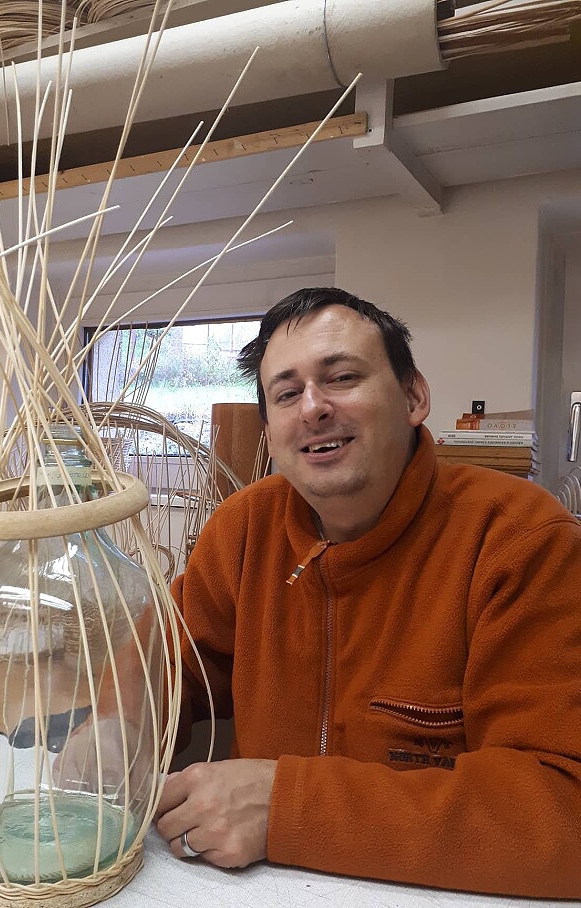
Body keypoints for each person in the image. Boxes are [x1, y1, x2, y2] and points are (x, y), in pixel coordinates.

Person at [154, 287, 581, 899]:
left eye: (342, 377)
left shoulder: (518, 539)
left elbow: (562, 808)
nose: (313, 408)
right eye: (286, 394)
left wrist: (287, 808)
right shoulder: (244, 530)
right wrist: (119, 721)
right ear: (269, 430)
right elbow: (172, 664)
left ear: (413, 397)